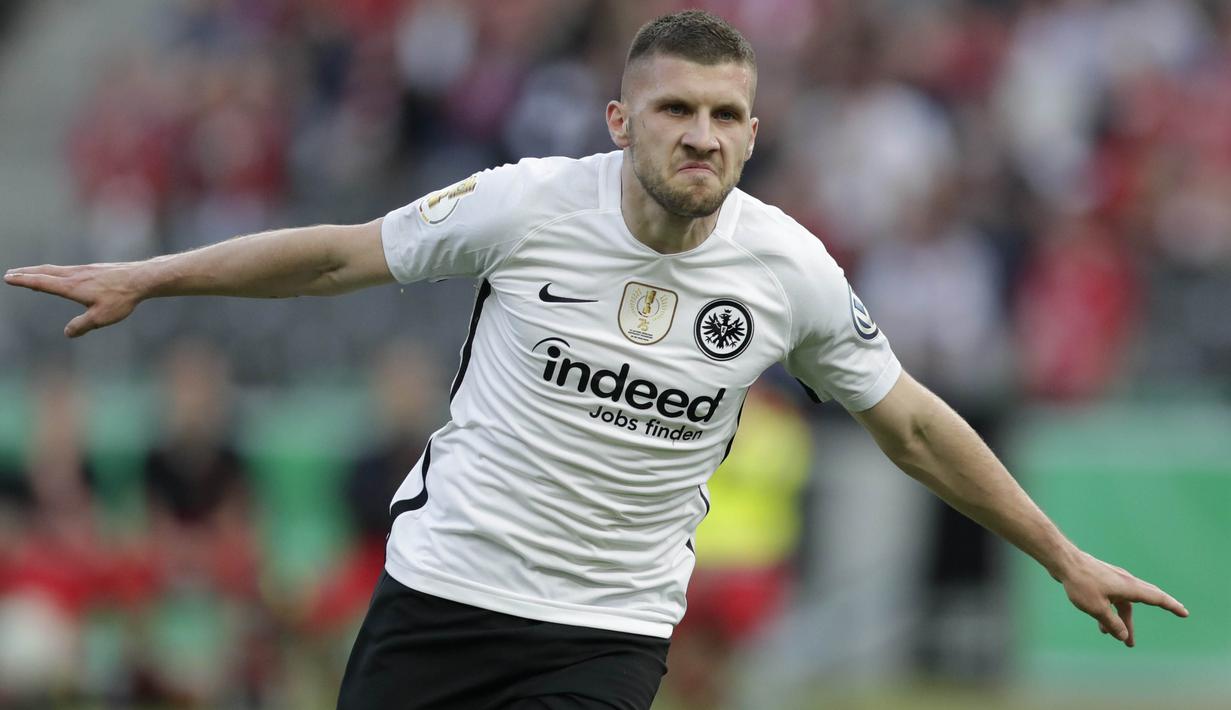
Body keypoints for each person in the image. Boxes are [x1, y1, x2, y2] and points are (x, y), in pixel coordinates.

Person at [5, 10, 1188, 710]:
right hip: (441, 595)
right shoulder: (526, 205)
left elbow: (913, 423)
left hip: (604, 631)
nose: (702, 136)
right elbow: (334, 258)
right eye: (676, 109)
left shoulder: (789, 268)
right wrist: (151, 276)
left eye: (726, 116)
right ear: (623, 122)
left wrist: (1060, 551)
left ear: (754, 133)